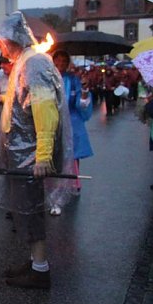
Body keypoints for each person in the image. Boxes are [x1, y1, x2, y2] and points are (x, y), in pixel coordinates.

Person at [0, 12, 74, 289]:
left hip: (30, 155)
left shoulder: (34, 63)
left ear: (12, 39)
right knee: (23, 211)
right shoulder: (24, 62)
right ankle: (34, 260)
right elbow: (23, 101)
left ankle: (40, 270)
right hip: (21, 153)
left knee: (31, 210)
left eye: (0, 40)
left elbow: (45, 108)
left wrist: (43, 156)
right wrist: (0, 97)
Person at [52, 51, 93, 214]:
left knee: (73, 153)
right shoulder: (48, 79)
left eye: (64, 61)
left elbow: (81, 104)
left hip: (71, 120)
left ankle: (73, 181)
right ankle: (54, 182)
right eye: (58, 61)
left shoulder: (74, 79)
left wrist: (84, 89)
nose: (61, 64)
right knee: (53, 152)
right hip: (52, 120)